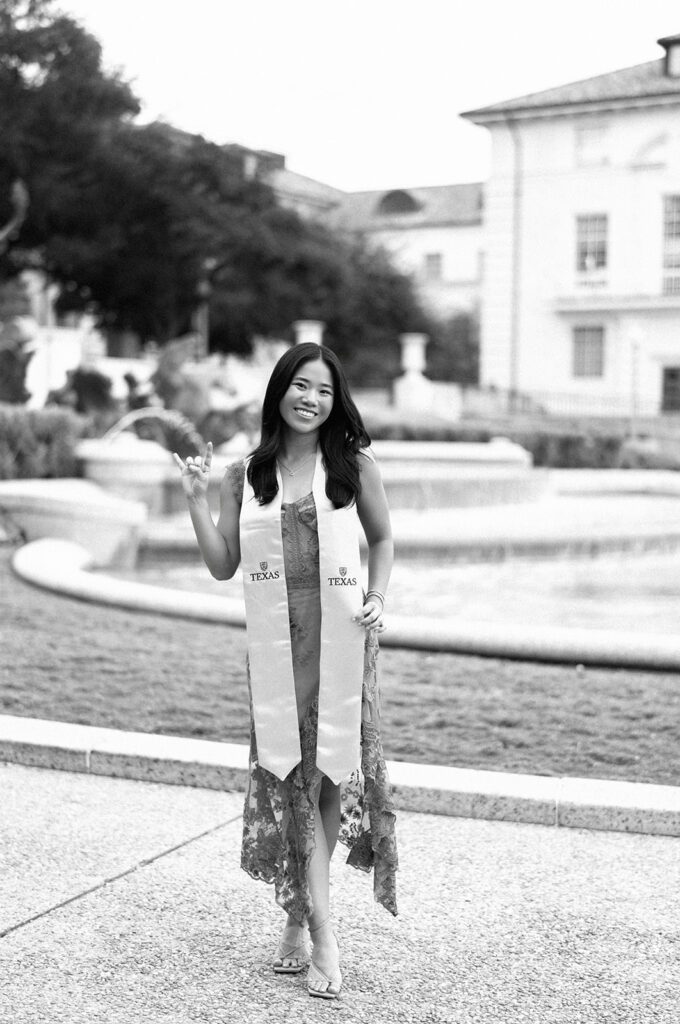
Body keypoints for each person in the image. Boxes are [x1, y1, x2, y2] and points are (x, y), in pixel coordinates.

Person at [174, 342, 398, 1001]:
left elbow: (383, 539)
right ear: (280, 391)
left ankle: (310, 923)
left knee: (328, 781)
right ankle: (312, 921)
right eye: (301, 386)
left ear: (336, 400)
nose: (311, 399)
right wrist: (195, 499)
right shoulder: (247, 473)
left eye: (324, 391)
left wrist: (378, 597)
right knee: (291, 779)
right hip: (279, 642)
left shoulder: (352, 463)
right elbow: (222, 564)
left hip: (341, 636)